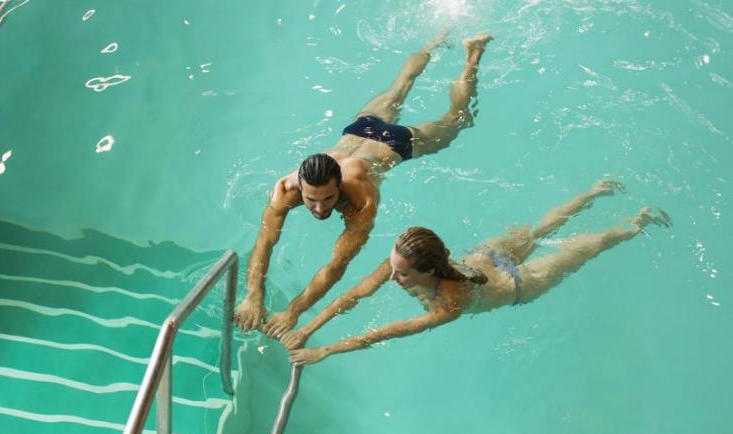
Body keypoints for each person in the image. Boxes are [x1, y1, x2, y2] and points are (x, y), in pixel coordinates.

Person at [235, 32, 495, 336]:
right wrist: (254, 295)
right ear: (300, 189)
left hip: (394, 143)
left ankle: (472, 54)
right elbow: (265, 240)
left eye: (329, 199)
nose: (320, 209)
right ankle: (433, 41)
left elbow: (336, 266)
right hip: (360, 128)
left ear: (339, 185)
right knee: (402, 83)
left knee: (457, 121)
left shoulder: (362, 201)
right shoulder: (284, 190)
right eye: (311, 200)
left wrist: (294, 312)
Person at [282, 179, 671, 365]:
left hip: (518, 282)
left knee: (586, 246)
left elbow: (386, 332)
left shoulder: (448, 304)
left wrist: (327, 349)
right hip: (488, 254)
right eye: (393, 268)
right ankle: (593, 192)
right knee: (538, 230)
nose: (392, 277)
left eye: (402, 274)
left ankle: (637, 222)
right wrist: (308, 327)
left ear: (427, 270)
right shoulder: (406, 257)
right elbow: (354, 294)